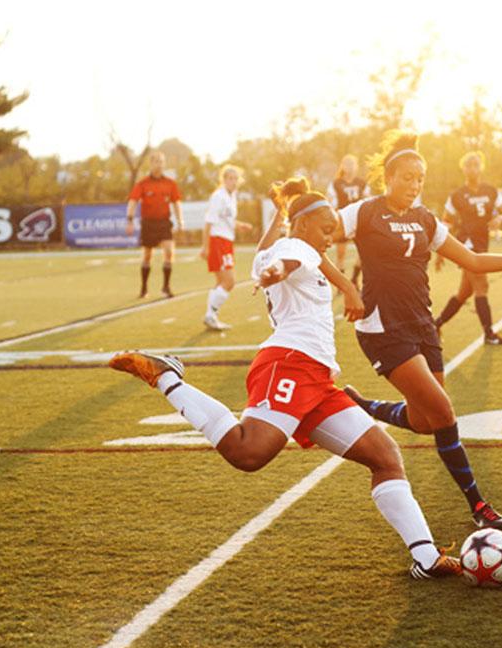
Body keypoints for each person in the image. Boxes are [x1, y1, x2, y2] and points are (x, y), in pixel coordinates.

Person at [108, 177, 461, 579]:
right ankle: (168, 376)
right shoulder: (296, 248)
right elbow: (287, 260)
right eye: (326, 229)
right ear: (305, 226)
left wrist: (282, 218)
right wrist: (277, 270)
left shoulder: (285, 244)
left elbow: (269, 253)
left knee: (384, 457)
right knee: (248, 453)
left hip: (317, 377)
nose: (331, 238)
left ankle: (426, 558)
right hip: (291, 363)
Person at [337, 130, 502, 531]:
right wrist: (346, 286)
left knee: (427, 420)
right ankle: (479, 506)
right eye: (408, 177)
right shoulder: (362, 212)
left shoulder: (426, 219)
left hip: (422, 324)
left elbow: (474, 261)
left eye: (420, 179)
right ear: (389, 177)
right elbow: (311, 238)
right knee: (445, 413)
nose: (414, 185)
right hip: (383, 328)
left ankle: (364, 406)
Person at [433, 152, 502, 345]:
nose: (472, 168)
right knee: (481, 286)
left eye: (475, 164)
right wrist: (440, 250)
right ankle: (489, 334)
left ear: (481, 167)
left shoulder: (491, 191)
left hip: (482, 244)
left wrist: (499, 218)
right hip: (466, 245)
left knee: (464, 293)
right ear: (463, 169)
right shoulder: (457, 195)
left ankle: (435, 324)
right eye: (468, 165)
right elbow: (446, 222)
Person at [201, 164, 253, 330]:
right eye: (229, 178)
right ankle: (210, 315)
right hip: (218, 241)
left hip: (226, 241)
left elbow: (227, 220)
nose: (233, 181)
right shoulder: (218, 196)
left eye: (235, 178)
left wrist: (239, 225)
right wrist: (205, 247)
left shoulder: (232, 196)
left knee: (220, 282)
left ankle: (211, 316)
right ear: (223, 180)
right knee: (229, 282)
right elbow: (209, 222)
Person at [126, 151, 184, 298]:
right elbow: (132, 202)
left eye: (161, 161)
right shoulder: (143, 184)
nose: (159, 164)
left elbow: (176, 203)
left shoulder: (170, 183)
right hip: (148, 224)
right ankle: (144, 287)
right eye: (156, 161)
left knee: (169, 252)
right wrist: (130, 220)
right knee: (147, 256)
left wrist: (180, 221)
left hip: (164, 223)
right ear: (151, 164)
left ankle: (166, 287)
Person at [328, 154, 370, 288]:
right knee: (340, 254)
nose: (350, 167)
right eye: (347, 164)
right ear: (343, 166)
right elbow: (331, 202)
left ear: (356, 166)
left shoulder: (362, 183)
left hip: (359, 220)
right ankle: (341, 284)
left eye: (352, 164)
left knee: (364, 253)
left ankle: (354, 278)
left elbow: (368, 201)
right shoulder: (336, 183)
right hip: (342, 221)